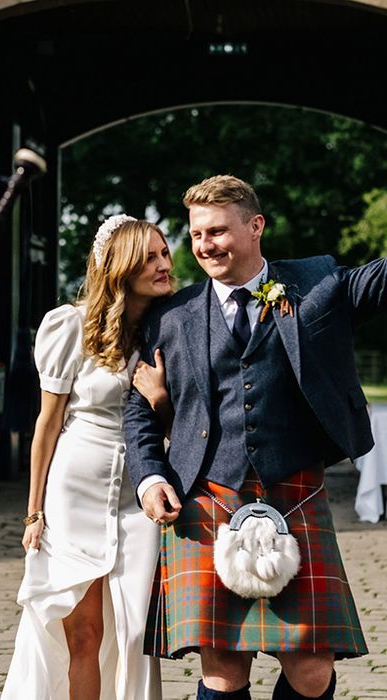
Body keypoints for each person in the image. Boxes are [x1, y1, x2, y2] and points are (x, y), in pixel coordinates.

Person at [124, 174, 376, 700]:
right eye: (196, 235)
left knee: (312, 674)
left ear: (255, 226)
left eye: (216, 231)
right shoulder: (171, 315)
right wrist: (149, 479)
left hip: (295, 490)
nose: (204, 246)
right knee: (223, 671)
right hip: (206, 496)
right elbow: (139, 411)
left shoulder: (315, 283)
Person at [2, 215, 174, 700]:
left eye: (165, 254)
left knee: (136, 633)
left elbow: (186, 424)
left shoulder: (172, 328)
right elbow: (47, 425)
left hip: (138, 497)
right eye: (150, 257)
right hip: (72, 492)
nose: (164, 265)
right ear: (119, 267)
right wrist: (34, 511)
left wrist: (161, 401)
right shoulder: (70, 326)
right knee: (84, 634)